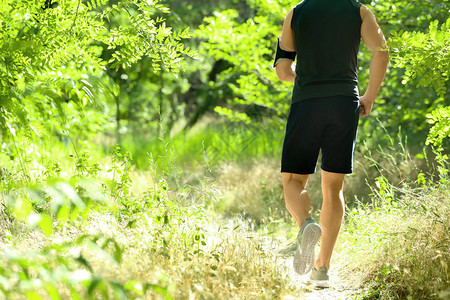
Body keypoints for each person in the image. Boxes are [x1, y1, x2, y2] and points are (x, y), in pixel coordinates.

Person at [273, 0, 389, 288]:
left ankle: (305, 225)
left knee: (293, 180)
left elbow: (283, 70)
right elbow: (381, 52)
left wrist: (308, 76)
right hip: (343, 104)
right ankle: (322, 270)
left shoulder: (296, 14)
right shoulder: (359, 10)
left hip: (307, 103)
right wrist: (369, 98)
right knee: (333, 187)